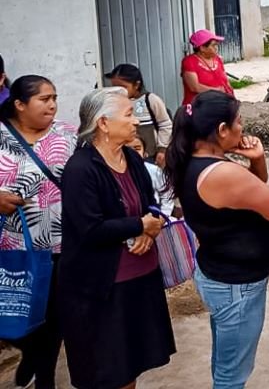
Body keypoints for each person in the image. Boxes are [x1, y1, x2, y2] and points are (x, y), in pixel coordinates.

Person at [164, 91, 269, 388]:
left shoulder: (191, 160)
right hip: (237, 285)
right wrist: (250, 167)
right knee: (232, 375)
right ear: (221, 129)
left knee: (225, 363)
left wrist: (257, 160)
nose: (242, 127)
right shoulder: (224, 174)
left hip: (219, 274)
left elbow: (254, 189)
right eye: (238, 121)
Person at [58, 87, 175, 389]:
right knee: (108, 371)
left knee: (131, 365)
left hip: (140, 279)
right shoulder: (81, 169)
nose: (136, 121)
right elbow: (89, 229)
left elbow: (150, 203)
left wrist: (150, 228)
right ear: (103, 123)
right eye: (128, 114)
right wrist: (139, 226)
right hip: (103, 288)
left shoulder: (131, 158)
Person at [0, 75, 77, 389]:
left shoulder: (68, 134)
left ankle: (44, 378)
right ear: (19, 104)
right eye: (44, 99)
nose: (52, 105)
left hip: (61, 244)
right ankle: (30, 353)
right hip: (12, 247)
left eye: (54, 98)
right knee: (15, 311)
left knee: (53, 316)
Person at [105, 63, 173, 167]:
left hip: (150, 156)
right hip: (124, 156)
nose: (118, 91)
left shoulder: (150, 100)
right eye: (114, 87)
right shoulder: (114, 104)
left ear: (136, 85)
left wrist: (162, 149)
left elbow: (165, 124)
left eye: (123, 87)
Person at [181, 29, 235, 106]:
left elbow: (225, 81)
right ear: (202, 48)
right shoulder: (189, 61)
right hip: (199, 106)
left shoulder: (217, 59)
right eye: (213, 45)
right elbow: (195, 87)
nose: (216, 47)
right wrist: (217, 91)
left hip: (221, 104)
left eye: (216, 45)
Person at [128, 136, 175, 217]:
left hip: (155, 215)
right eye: (128, 149)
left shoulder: (154, 170)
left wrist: (164, 215)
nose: (132, 152)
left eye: (137, 148)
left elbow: (167, 194)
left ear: (145, 154)